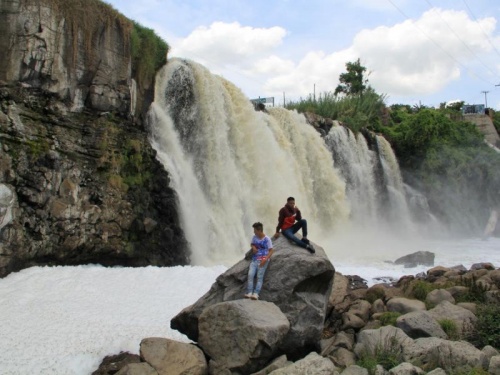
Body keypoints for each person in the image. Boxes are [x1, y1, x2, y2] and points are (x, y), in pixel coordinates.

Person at [245, 222, 273, 300]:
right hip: (254, 259)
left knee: (259, 277)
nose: (254, 232)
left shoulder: (267, 239)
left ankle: (256, 294)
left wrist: (265, 259)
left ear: (259, 230)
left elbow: (271, 251)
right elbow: (252, 244)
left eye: (255, 230)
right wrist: (253, 247)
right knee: (250, 275)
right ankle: (249, 292)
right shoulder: (255, 237)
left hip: (263, 260)